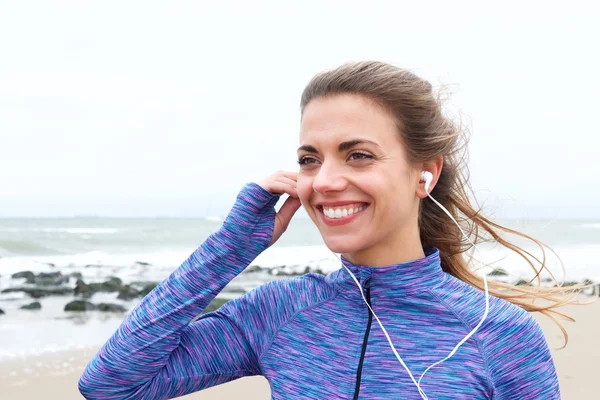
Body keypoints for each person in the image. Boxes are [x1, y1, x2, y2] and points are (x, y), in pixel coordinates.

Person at [78, 61, 579, 399]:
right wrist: (230, 248)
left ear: (424, 172)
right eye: (309, 160)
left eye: (358, 155)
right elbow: (111, 384)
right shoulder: (280, 311)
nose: (326, 181)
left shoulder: (499, 333)